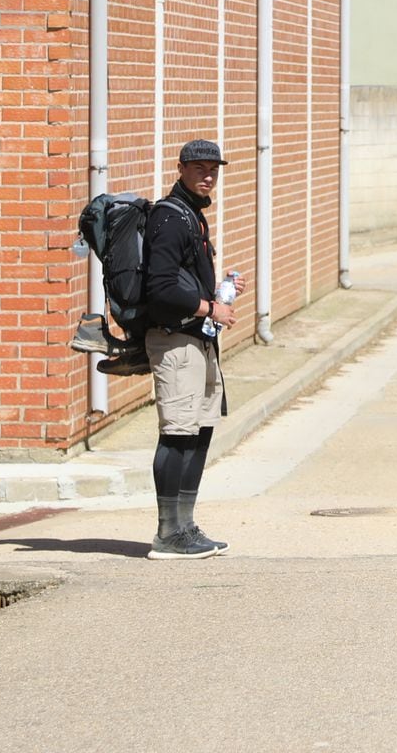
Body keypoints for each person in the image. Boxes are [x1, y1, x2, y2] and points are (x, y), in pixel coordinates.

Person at [143, 139, 236, 560]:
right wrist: (210, 306)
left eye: (214, 168)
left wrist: (215, 295)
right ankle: (168, 533)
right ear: (180, 168)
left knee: (199, 431)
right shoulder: (171, 217)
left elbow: (179, 281)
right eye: (199, 168)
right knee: (178, 434)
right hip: (175, 340)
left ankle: (186, 525)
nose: (208, 175)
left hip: (199, 337)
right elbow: (159, 288)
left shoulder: (193, 216)